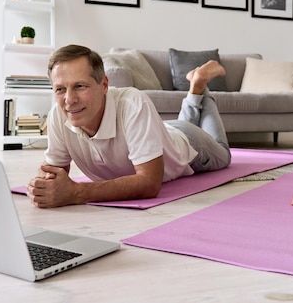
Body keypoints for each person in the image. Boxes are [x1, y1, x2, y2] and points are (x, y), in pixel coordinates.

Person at [27, 44, 231, 208]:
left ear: (104, 85)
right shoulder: (58, 114)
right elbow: (53, 173)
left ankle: (199, 85)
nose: (69, 100)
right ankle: (194, 90)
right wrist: (43, 187)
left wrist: (76, 192)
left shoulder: (133, 103)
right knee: (182, 123)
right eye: (60, 89)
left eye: (80, 86)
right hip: (158, 131)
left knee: (223, 151)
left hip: (189, 142)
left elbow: (149, 183)